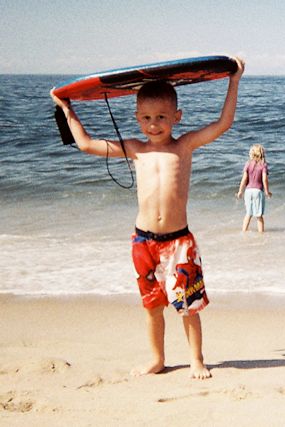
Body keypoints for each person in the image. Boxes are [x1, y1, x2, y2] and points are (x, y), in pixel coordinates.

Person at [50, 57, 245, 380]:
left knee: (188, 306)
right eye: (146, 117)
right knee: (153, 306)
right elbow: (85, 144)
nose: (153, 124)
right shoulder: (136, 148)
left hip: (178, 242)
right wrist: (67, 109)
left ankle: (196, 359)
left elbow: (222, 124)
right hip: (143, 242)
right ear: (137, 118)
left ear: (177, 117)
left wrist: (234, 81)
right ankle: (157, 359)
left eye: (161, 117)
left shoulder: (184, 146)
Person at [236, 144, 272, 232]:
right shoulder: (263, 165)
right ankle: (261, 234)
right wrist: (267, 191)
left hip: (248, 191)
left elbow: (244, 179)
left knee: (248, 214)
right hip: (258, 191)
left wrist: (240, 191)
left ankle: (244, 231)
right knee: (259, 215)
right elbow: (264, 179)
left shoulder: (248, 164)